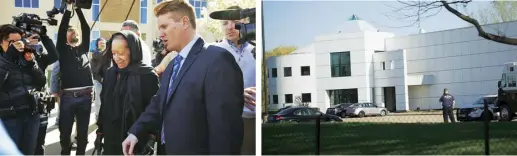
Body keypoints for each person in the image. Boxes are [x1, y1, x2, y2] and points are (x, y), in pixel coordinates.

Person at [122, 0, 244, 155]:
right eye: (159, 28)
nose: (160, 34)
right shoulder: (173, 64)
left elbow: (226, 130)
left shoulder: (217, 60)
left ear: (185, 22)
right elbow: (159, 102)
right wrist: (135, 133)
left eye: (164, 26)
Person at [95, 30, 159, 155]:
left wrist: (151, 138)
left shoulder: (147, 75)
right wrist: (100, 132)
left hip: (135, 141)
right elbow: (105, 105)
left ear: (133, 51)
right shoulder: (110, 73)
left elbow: (154, 109)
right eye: (113, 53)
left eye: (121, 53)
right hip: (111, 139)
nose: (116, 58)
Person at [0, 24, 58, 155]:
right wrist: (8, 57)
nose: (16, 45)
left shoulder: (26, 55)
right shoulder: (3, 59)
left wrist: (32, 64)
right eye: (11, 42)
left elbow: (42, 80)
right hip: (10, 118)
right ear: (1, 41)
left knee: (29, 152)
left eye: (18, 41)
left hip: (32, 114)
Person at [214, 5, 256, 155]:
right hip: (226, 119)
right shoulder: (214, 52)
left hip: (252, 118)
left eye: (235, 22)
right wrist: (237, 94)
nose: (230, 27)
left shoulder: (255, 49)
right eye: (225, 23)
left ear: (246, 22)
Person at [56, 5, 93, 155]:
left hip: (85, 96)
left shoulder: (83, 49)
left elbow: (86, 28)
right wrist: (68, 11)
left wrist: (78, 9)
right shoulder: (63, 51)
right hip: (68, 98)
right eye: (70, 31)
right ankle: (65, 152)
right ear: (66, 36)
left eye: (75, 31)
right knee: (65, 132)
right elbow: (61, 29)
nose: (74, 32)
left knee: (83, 133)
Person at [90, 38, 107, 119]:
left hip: (108, 80)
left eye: (103, 43)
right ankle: (97, 115)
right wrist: (101, 79)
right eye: (100, 43)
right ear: (97, 45)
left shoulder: (108, 54)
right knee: (98, 100)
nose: (102, 44)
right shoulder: (95, 55)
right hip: (98, 81)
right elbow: (94, 71)